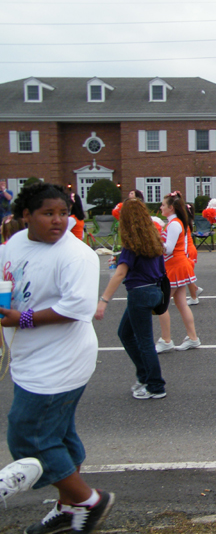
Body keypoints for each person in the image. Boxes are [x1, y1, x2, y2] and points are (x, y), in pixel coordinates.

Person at [0, 183, 115, 533]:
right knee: (59, 434)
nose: (58, 221)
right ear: (25, 215)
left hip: (60, 361)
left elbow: (76, 308)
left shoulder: (76, 254)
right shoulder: (15, 243)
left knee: (29, 437)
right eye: (48, 213)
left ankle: (89, 502)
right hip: (27, 357)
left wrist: (21, 319)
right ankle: (69, 508)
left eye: (63, 213)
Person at [94, 198, 167, 399]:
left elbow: (120, 273)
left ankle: (155, 385)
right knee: (125, 333)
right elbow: (160, 269)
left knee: (143, 341)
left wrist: (104, 300)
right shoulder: (153, 238)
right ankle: (145, 375)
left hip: (140, 292)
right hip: (153, 290)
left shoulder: (131, 244)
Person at [155, 192, 201, 352]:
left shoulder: (174, 224)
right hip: (175, 265)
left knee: (160, 304)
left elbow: (168, 249)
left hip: (175, 266)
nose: (160, 207)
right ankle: (193, 338)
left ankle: (166, 340)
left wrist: (155, 238)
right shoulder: (173, 223)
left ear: (171, 207)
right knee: (181, 303)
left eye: (163, 204)